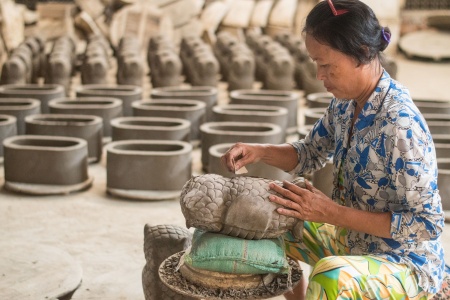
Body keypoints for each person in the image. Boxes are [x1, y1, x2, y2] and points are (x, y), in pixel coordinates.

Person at [221, 0, 446, 299]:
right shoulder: (345, 102)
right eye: (315, 63)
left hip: (405, 263)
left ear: (362, 54)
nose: (319, 75)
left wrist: (330, 212)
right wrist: (260, 150)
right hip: (353, 239)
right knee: (273, 218)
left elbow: (426, 224)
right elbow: (309, 153)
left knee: (331, 275)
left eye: (327, 65)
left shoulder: (400, 125)